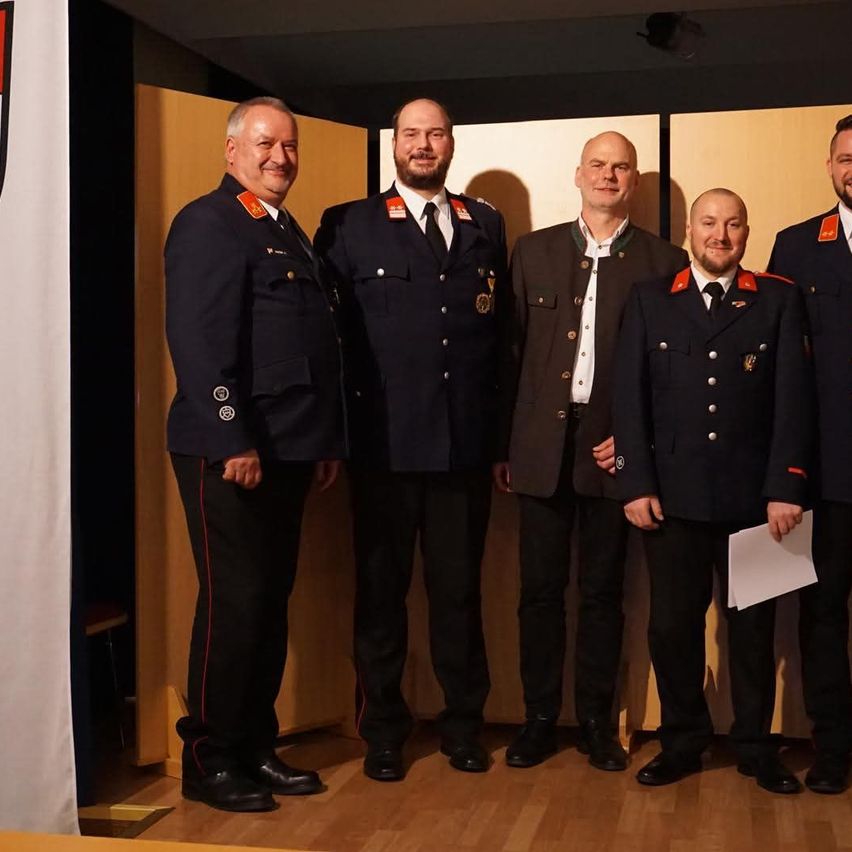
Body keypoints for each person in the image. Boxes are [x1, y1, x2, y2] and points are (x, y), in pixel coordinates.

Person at [315, 98, 507, 781]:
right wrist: (330, 435)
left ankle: (462, 725)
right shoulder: (349, 224)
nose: (423, 146)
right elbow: (327, 340)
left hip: (462, 447)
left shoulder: (485, 223)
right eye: (411, 135)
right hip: (384, 447)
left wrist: (502, 440)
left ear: (452, 143)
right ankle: (385, 732)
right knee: (381, 596)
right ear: (392, 145)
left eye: (436, 134)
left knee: (458, 596)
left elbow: (497, 340)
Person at [165, 97, 345, 812]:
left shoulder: (285, 229)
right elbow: (201, 341)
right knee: (234, 604)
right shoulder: (209, 223)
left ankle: (253, 745)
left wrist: (323, 441)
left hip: (289, 448)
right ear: (232, 150)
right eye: (266, 145)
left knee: (269, 604)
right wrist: (230, 434)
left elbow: (308, 342)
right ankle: (207, 755)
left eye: (290, 146)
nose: (280, 157)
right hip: (231, 450)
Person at [494, 132, 688, 771]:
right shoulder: (533, 251)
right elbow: (509, 357)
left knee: (605, 594)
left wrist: (634, 442)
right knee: (539, 592)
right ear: (578, 174)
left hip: (613, 454)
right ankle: (539, 720)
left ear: (634, 181)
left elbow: (669, 373)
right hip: (540, 446)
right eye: (598, 165)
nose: (608, 176)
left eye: (620, 167)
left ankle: (598, 725)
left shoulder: (664, 261)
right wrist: (505, 446)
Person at [613, 188, 812, 793]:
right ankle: (682, 741)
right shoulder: (650, 300)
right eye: (708, 224)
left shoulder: (777, 299)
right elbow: (630, 399)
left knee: (755, 631)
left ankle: (755, 746)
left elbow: (794, 402)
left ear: (747, 233)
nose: (719, 236)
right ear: (690, 232)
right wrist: (636, 483)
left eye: (731, 225)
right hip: (672, 501)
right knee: (672, 628)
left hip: (758, 503)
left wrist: (786, 487)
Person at [767, 114, 852, 794]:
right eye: (847, 157)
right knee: (821, 619)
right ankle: (831, 750)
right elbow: (776, 372)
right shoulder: (795, 247)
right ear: (829, 165)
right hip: (823, 476)